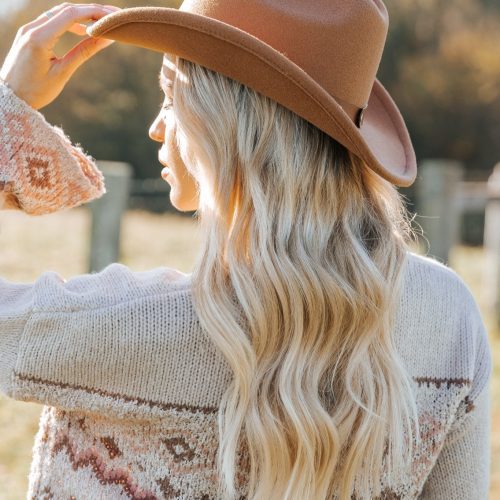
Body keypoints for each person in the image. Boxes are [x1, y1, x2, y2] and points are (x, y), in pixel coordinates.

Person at [0, 2, 492, 499]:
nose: (155, 126)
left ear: (222, 120)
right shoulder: (450, 318)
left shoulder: (120, 327)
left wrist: (8, 108)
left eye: (170, 94)